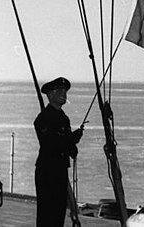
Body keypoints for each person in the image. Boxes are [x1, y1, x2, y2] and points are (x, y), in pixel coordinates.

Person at [33, 77, 83, 227]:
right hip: (47, 172)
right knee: (47, 213)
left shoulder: (64, 118)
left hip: (60, 171)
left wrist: (74, 144)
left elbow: (68, 147)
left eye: (65, 91)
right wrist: (71, 139)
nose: (64, 94)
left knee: (59, 212)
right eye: (60, 91)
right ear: (50, 95)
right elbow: (50, 145)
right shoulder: (42, 119)